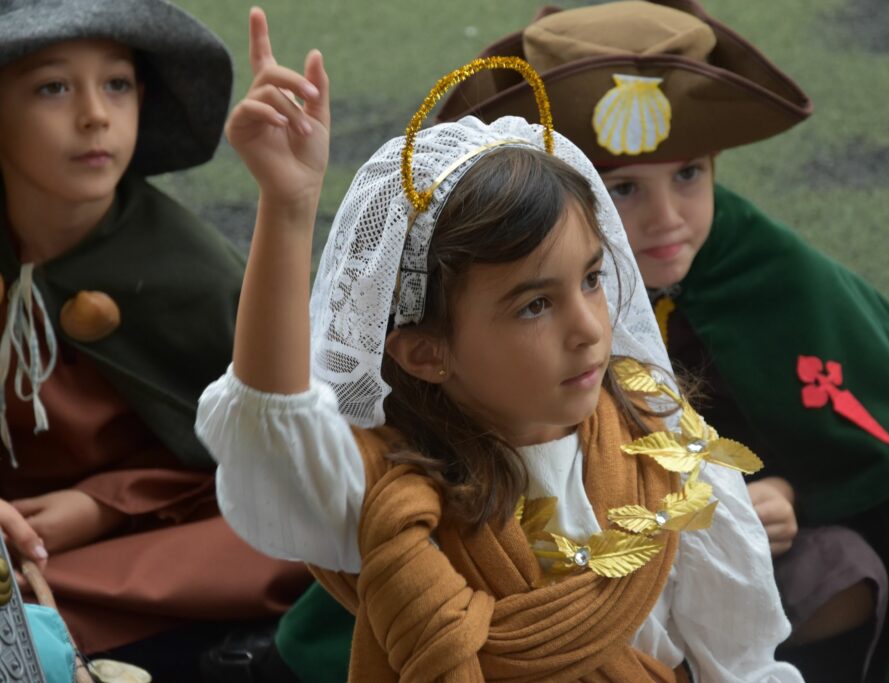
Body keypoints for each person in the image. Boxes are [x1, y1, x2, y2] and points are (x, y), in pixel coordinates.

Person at [197, 8, 805, 681]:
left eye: (594, 278)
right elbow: (273, 427)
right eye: (535, 304)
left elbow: (743, 663)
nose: (589, 326)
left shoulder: (662, 446)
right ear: (426, 351)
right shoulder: (385, 489)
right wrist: (287, 206)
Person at [434, 1, 889, 681]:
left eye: (689, 175)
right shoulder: (513, 275)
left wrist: (786, 496)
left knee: (847, 578)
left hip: (727, 544)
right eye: (622, 187)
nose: (665, 220)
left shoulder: (768, 270)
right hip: (562, 538)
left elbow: (858, 435)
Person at [0, 0, 310, 673]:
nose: (94, 115)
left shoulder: (189, 270)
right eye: (53, 87)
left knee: (298, 541)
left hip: (145, 535)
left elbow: (270, 451)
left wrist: (101, 504)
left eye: (116, 84)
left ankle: (31, 616)